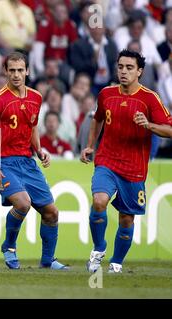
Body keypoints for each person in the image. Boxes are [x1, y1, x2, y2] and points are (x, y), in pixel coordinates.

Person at [81, 49, 172, 274]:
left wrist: (148, 125)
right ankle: (98, 248)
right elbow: (97, 119)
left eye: (129, 68)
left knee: (126, 219)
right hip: (107, 160)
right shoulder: (106, 93)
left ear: (140, 71)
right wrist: (91, 145)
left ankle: (116, 263)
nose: (124, 71)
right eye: (121, 67)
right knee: (99, 201)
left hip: (134, 169)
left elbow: (169, 129)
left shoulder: (150, 98)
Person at [0, 51, 68, 270]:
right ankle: (9, 246)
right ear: (5, 71)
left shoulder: (36, 97)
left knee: (51, 212)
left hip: (27, 161)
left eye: (20, 70)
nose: (16, 75)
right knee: (23, 203)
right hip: (2, 161)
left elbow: (33, 125)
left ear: (27, 71)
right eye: (12, 70)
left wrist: (38, 150)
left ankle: (48, 261)